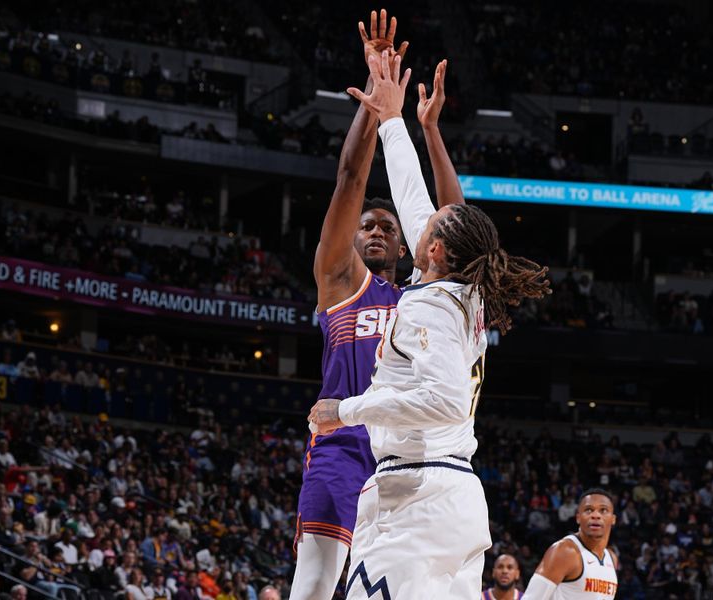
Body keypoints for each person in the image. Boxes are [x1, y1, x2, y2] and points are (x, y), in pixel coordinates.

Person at [310, 50, 550, 598]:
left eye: (431, 226)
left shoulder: (427, 303)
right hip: (453, 495)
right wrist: (396, 121)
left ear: (434, 248)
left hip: (415, 496)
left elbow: (441, 399)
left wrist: (344, 410)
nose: (422, 217)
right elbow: (416, 196)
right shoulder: (460, 289)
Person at [290, 9, 464, 600]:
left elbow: (455, 224)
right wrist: (375, 107)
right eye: (368, 225)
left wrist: (426, 129)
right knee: (315, 587)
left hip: (410, 456)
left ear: (412, 242)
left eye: (388, 225)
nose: (375, 230)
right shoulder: (341, 281)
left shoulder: (426, 293)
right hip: (342, 448)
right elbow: (347, 181)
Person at [519, 489, 618, 600]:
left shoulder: (611, 558)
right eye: (588, 510)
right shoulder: (565, 551)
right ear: (578, 518)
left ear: (613, 519)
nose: (595, 515)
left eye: (603, 510)